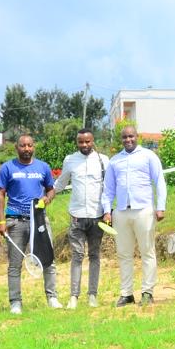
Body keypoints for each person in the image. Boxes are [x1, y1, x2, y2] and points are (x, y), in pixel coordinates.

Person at [101, 125, 166, 306]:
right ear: (121, 139)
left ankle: (147, 292)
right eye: (125, 137)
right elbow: (108, 189)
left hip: (143, 210)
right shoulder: (115, 161)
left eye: (131, 136)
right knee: (124, 254)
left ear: (137, 137)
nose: (128, 140)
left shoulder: (148, 156)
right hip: (121, 212)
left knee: (147, 252)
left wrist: (161, 207)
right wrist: (107, 211)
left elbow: (159, 181)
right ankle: (126, 294)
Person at [0, 134, 61, 314]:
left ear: (34, 147)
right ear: (16, 147)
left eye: (30, 145)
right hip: (15, 221)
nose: (26, 149)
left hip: (39, 220)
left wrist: (47, 199)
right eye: (23, 145)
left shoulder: (43, 167)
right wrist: (1, 221)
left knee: (48, 260)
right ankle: (15, 303)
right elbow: (0, 194)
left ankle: (52, 298)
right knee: (15, 264)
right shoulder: (7, 167)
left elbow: (51, 190)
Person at [53, 129, 109, 309]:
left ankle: (92, 295)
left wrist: (108, 211)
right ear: (76, 142)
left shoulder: (103, 160)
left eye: (87, 141)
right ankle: (74, 297)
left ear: (93, 141)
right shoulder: (70, 160)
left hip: (97, 216)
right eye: (81, 142)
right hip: (77, 216)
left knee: (94, 255)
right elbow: (60, 183)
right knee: (77, 256)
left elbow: (109, 188)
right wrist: (46, 196)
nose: (84, 145)